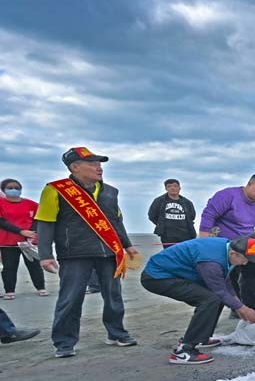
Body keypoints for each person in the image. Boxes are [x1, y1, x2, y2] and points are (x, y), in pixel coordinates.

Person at [35, 147, 139, 357]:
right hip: (75, 253)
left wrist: (127, 245)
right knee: (70, 298)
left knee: (113, 296)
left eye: (99, 163)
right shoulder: (55, 190)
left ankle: (117, 333)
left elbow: (116, 221)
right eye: (92, 164)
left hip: (108, 252)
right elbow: (45, 223)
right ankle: (64, 343)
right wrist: (45, 255)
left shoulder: (110, 192)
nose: (99, 167)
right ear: (75, 167)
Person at [141, 237, 255, 364]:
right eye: (245, 259)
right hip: (157, 276)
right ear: (233, 254)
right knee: (210, 300)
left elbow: (223, 281)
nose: (245, 263)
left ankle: (201, 338)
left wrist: (238, 305)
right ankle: (184, 350)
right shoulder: (211, 263)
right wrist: (244, 309)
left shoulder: (227, 247)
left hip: (174, 273)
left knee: (218, 298)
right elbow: (220, 291)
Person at [0, 179, 47, 298]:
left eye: (17, 187)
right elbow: (2, 222)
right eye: (10, 188)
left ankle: (41, 287)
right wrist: (20, 231)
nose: (14, 190)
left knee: (34, 265)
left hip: (28, 241)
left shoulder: (31, 204)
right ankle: (9, 291)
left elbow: (39, 218)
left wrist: (32, 232)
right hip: (8, 242)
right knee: (9, 267)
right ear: (3, 190)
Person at [199, 174, 255, 239]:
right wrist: (204, 241)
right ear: (249, 184)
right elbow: (209, 215)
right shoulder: (227, 195)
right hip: (221, 243)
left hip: (247, 246)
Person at [146, 178, 197, 249]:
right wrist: (161, 224)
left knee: (186, 254)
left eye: (175, 186)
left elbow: (192, 216)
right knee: (171, 254)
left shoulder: (187, 203)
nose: (172, 188)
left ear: (179, 188)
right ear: (166, 188)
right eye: (169, 186)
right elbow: (152, 216)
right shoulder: (159, 201)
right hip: (167, 236)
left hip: (186, 235)